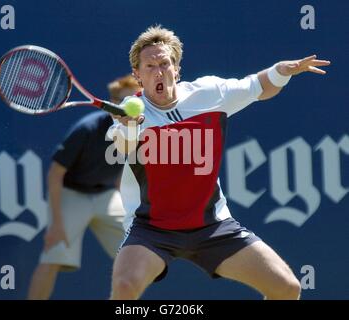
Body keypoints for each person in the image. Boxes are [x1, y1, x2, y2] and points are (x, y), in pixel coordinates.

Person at [108, 26, 330, 300]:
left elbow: (258, 86)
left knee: (287, 288)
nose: (159, 71)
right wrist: (130, 126)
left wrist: (281, 71)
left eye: (165, 63)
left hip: (212, 226)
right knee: (125, 288)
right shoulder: (130, 110)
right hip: (151, 228)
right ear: (137, 75)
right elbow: (123, 146)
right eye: (150, 66)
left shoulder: (209, 94)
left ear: (176, 68)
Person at [27, 74, 141, 300]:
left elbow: (120, 174)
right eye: (124, 103)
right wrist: (56, 225)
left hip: (106, 195)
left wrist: (132, 209)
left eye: (136, 102)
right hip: (72, 194)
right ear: (112, 105)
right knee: (52, 258)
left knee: (138, 255)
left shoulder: (138, 132)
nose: (131, 110)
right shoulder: (87, 129)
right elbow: (55, 175)